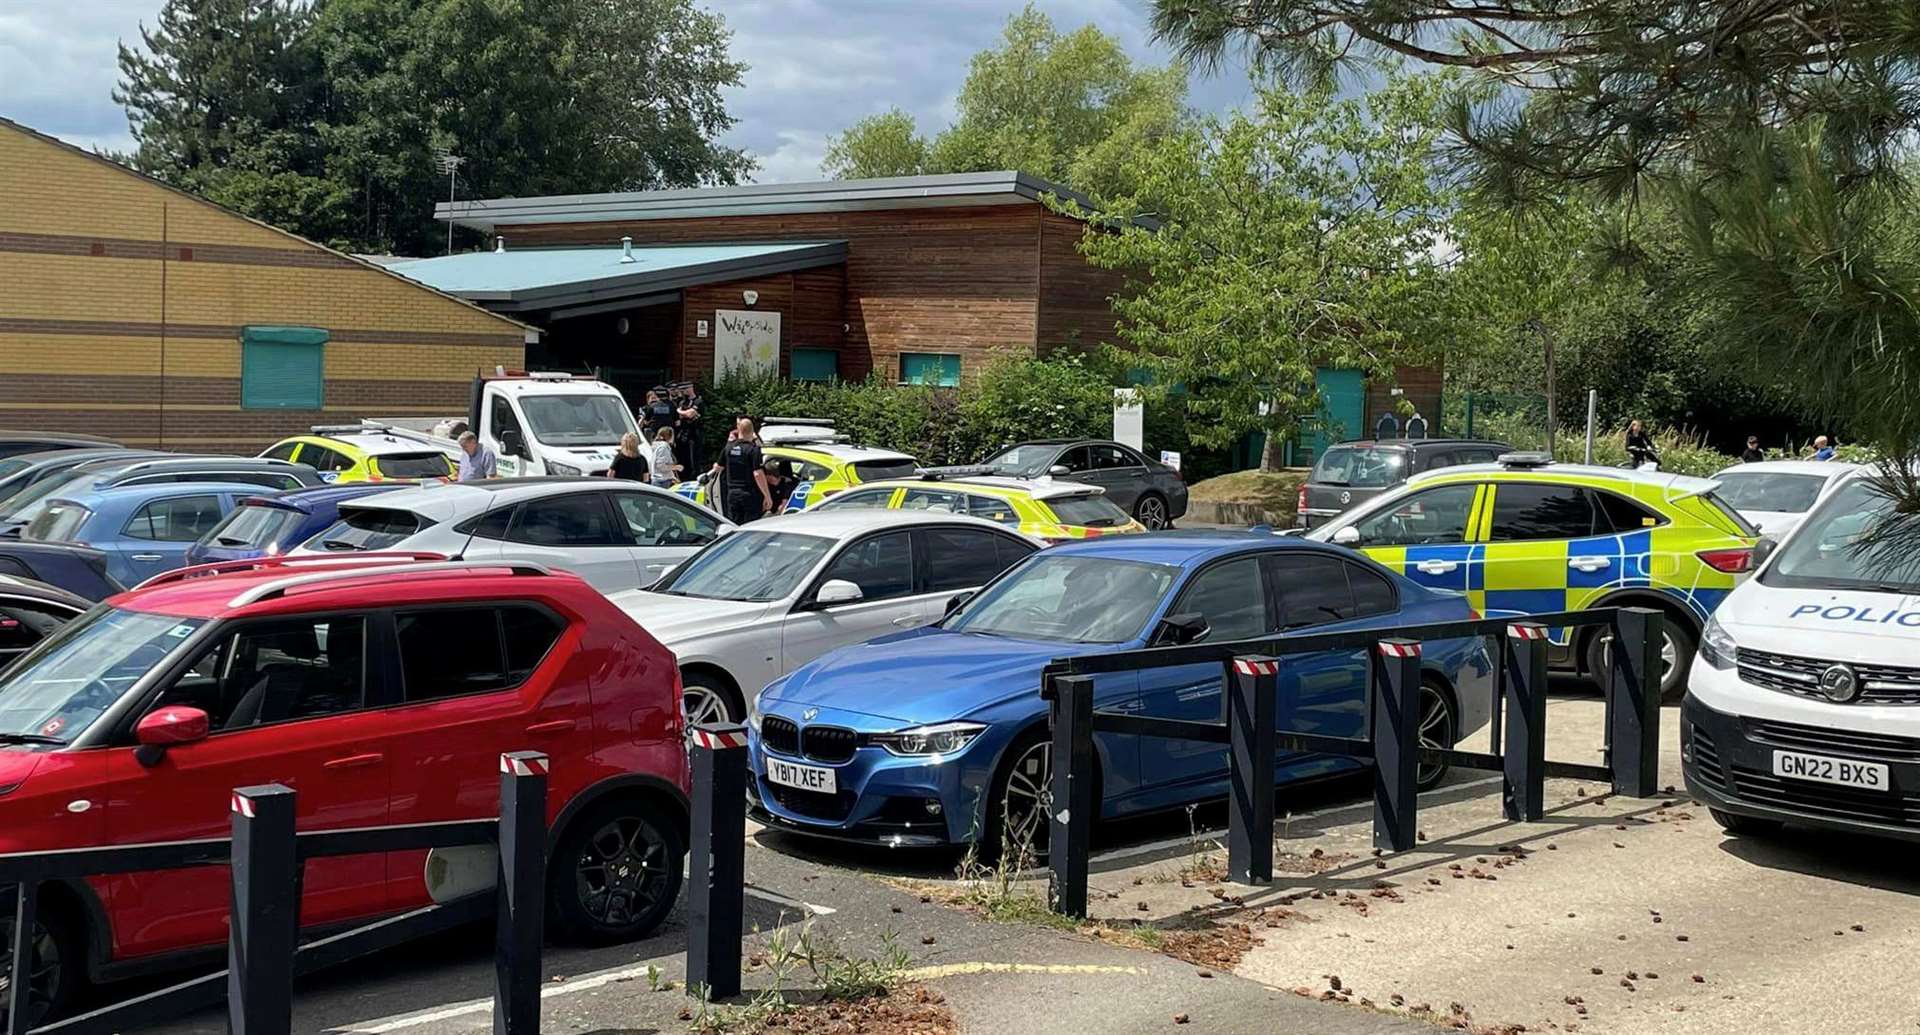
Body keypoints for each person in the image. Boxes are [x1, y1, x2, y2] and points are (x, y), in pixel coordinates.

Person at [713, 417, 772, 524]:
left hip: (732, 494)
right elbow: (757, 474)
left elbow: (717, 467)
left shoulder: (728, 447)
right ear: (752, 431)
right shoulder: (753, 450)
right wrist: (767, 496)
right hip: (749, 495)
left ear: (738, 429)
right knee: (751, 526)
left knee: (736, 525)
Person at [673, 381, 704, 475]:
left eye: (683, 390)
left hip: (695, 433)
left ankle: (695, 475)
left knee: (694, 458)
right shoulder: (683, 402)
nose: (682, 393)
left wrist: (680, 411)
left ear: (690, 389)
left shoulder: (698, 401)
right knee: (683, 457)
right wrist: (683, 413)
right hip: (683, 433)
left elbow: (690, 414)